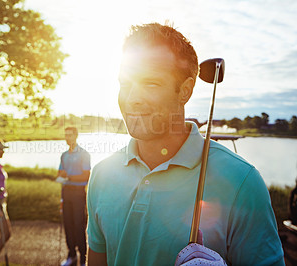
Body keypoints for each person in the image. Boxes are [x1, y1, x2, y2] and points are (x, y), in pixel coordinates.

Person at [86, 22, 284, 265]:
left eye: (151, 83)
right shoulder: (101, 174)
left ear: (186, 90)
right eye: (125, 84)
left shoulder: (243, 183)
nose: (132, 98)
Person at [57, 127, 91, 266]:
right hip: (66, 192)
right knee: (68, 224)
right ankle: (72, 255)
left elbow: (86, 175)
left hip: (78, 193)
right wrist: (61, 198)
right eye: (65, 135)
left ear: (76, 136)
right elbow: (60, 174)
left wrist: (69, 176)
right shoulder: (64, 155)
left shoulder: (84, 154)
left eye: (70, 135)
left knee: (78, 225)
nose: (67, 138)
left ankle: (83, 259)